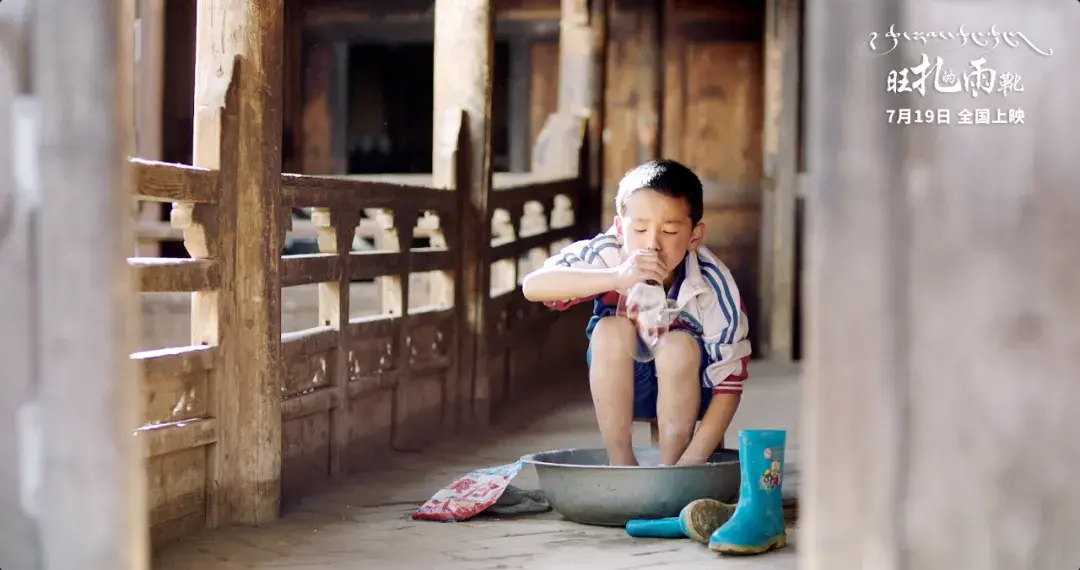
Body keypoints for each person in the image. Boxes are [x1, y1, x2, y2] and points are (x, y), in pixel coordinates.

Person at [521, 159, 750, 466]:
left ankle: (672, 470)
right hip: (628, 384)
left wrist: (692, 463)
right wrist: (617, 277)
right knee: (608, 331)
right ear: (619, 227)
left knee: (679, 346)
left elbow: (729, 385)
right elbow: (534, 286)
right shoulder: (610, 252)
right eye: (640, 229)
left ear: (695, 236)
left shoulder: (713, 287)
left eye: (669, 231)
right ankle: (622, 464)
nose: (652, 244)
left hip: (693, 387)